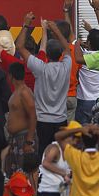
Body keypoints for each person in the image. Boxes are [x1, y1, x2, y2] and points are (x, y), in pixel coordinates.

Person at [17, 17, 71, 154]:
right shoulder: (66, 66)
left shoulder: (40, 68)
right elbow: (67, 48)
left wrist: (26, 25)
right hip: (61, 119)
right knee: (60, 155)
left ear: (46, 52)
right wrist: (56, 30)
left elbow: (20, 47)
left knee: (43, 154)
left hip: (42, 120)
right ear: (60, 53)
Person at [3, 62, 37, 177]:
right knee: (15, 174)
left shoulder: (24, 92)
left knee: (24, 175)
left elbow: (33, 116)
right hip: (16, 138)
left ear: (11, 76)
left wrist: (29, 142)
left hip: (24, 138)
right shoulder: (17, 91)